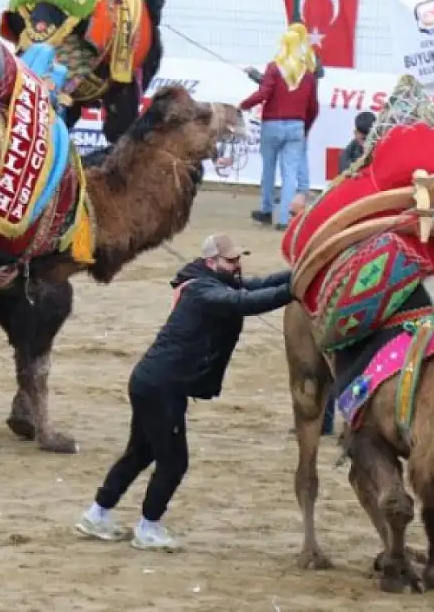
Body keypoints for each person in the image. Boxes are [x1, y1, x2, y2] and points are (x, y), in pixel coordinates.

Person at [74, 234, 294, 551]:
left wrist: (299, 273)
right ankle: (147, 528)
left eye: (238, 259)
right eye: (231, 260)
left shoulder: (213, 281)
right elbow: (244, 303)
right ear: (211, 262)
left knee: (139, 454)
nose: (237, 265)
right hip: (163, 387)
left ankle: (96, 515)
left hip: (152, 383)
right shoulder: (204, 291)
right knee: (174, 463)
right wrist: (294, 291)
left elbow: (258, 286)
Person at [240, 25, 320, 232]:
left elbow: (263, 94)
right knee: (290, 174)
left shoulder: (274, 68)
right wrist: (305, 127)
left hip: (272, 125)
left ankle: (266, 210)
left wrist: (243, 105)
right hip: (296, 126)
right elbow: (313, 106)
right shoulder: (308, 74)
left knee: (268, 169)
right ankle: (284, 219)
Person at [338, 110, 376, 175]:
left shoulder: (383, 149)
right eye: (364, 139)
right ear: (355, 133)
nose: (367, 144)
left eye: (371, 139)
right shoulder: (347, 156)